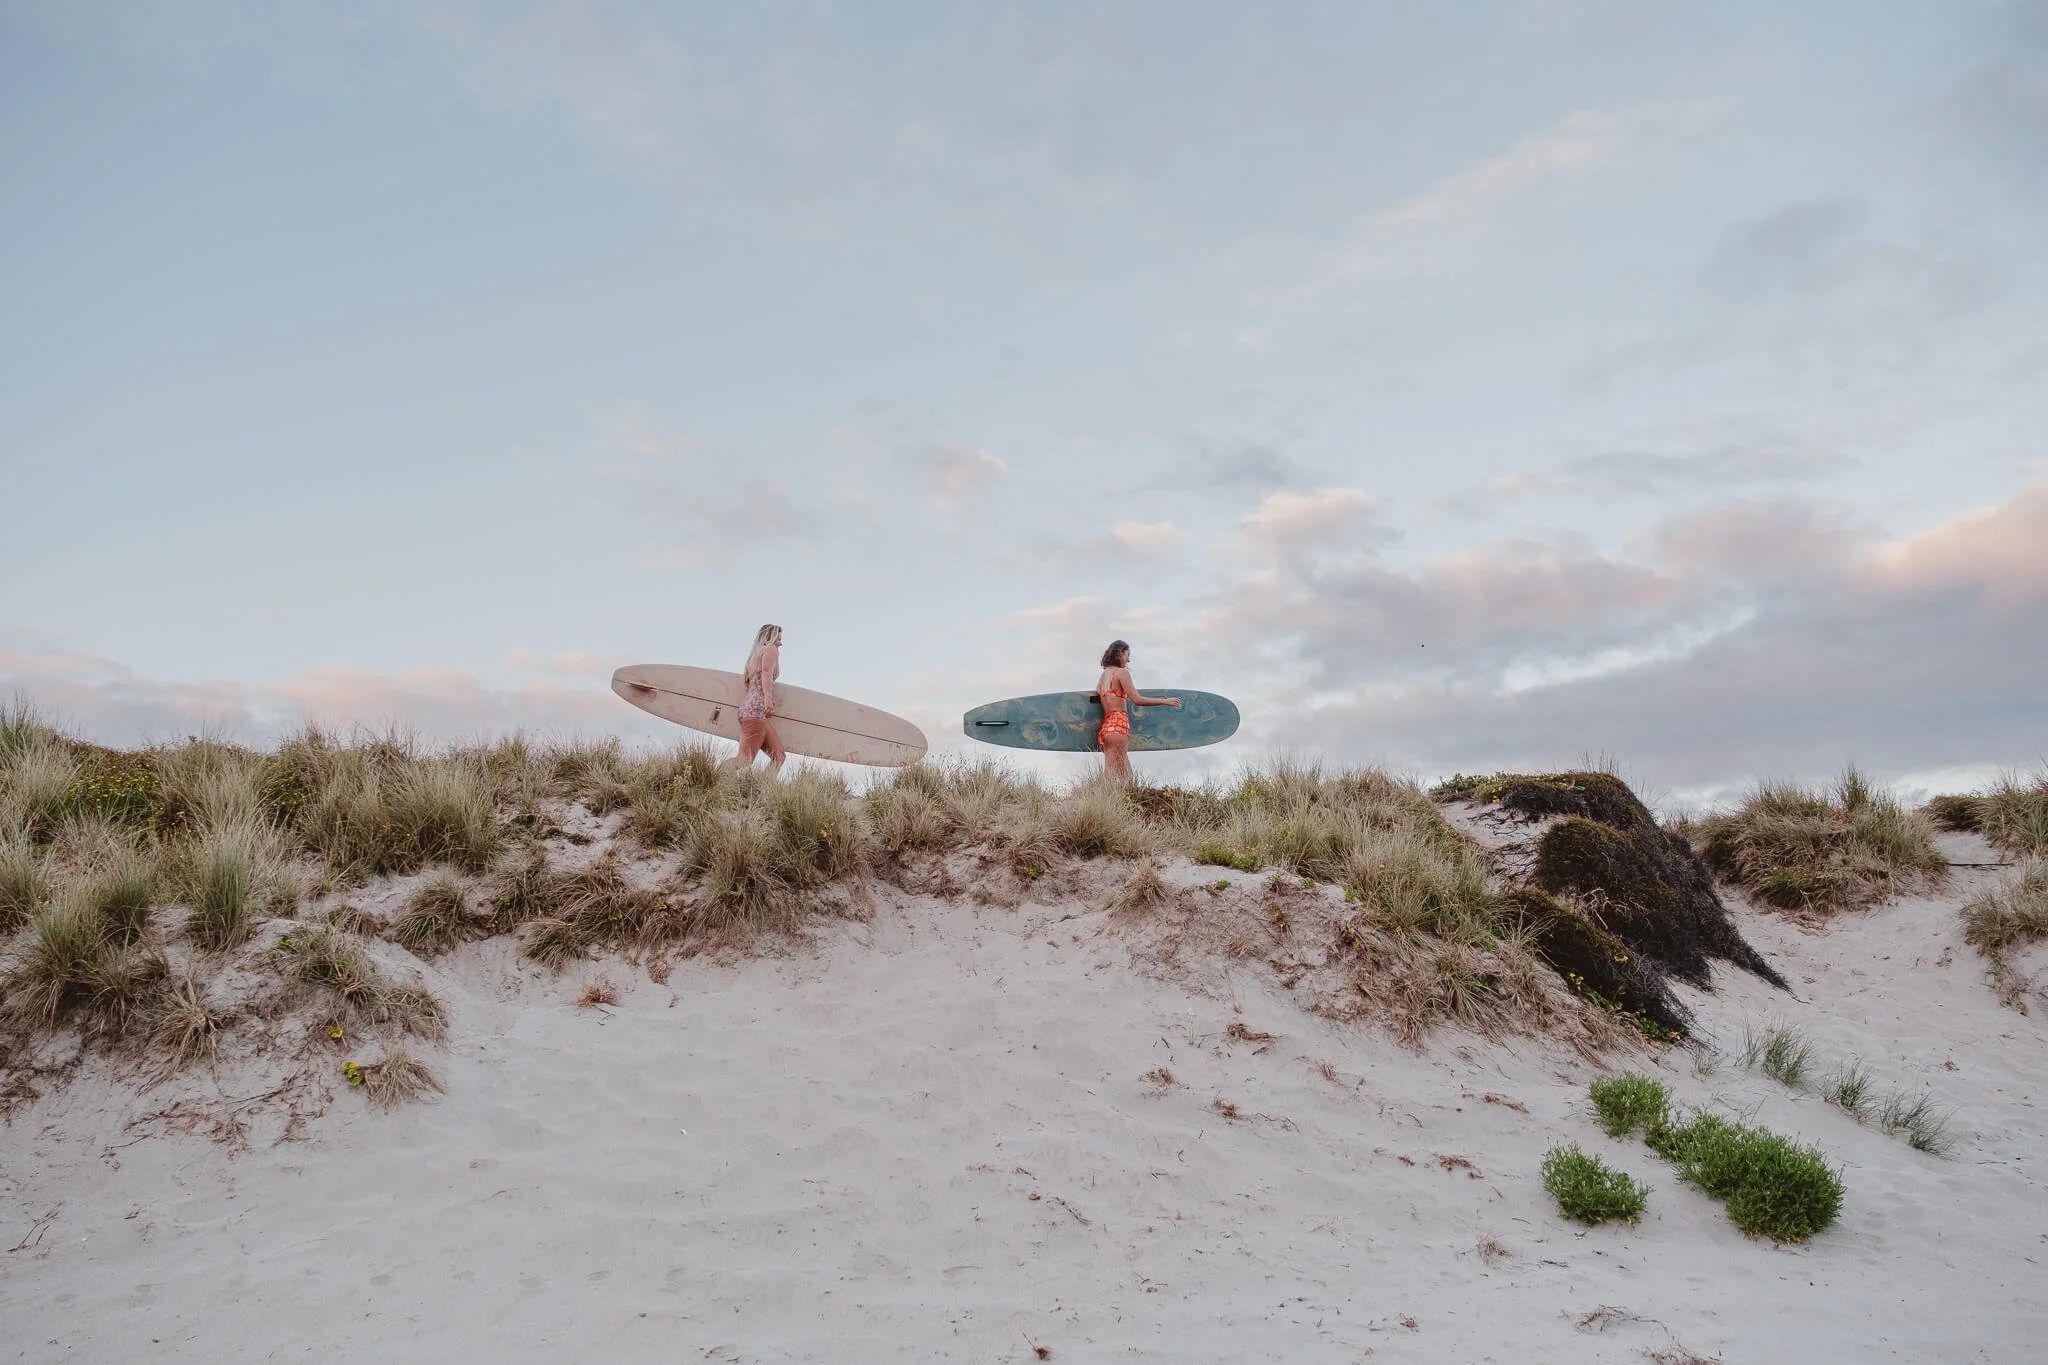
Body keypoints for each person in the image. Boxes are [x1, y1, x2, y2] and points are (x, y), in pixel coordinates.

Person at [1094, 638, 1179, 782]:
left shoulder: (1103, 676)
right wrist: (1164, 701)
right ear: (1120, 653)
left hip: (1107, 729)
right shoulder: (1122, 673)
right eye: (1127, 655)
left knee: (1110, 776)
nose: (1129, 660)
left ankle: (1104, 802)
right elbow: (1137, 700)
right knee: (1127, 779)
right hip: (1118, 727)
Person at [721, 623, 787, 776]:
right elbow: (766, 672)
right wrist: (768, 699)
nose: (780, 643)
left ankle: (763, 789)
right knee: (744, 760)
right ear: (770, 637)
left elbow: (750, 684)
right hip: (756, 711)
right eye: (778, 639)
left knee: (779, 756)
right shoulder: (771, 651)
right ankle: (715, 779)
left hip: (752, 711)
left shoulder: (754, 657)